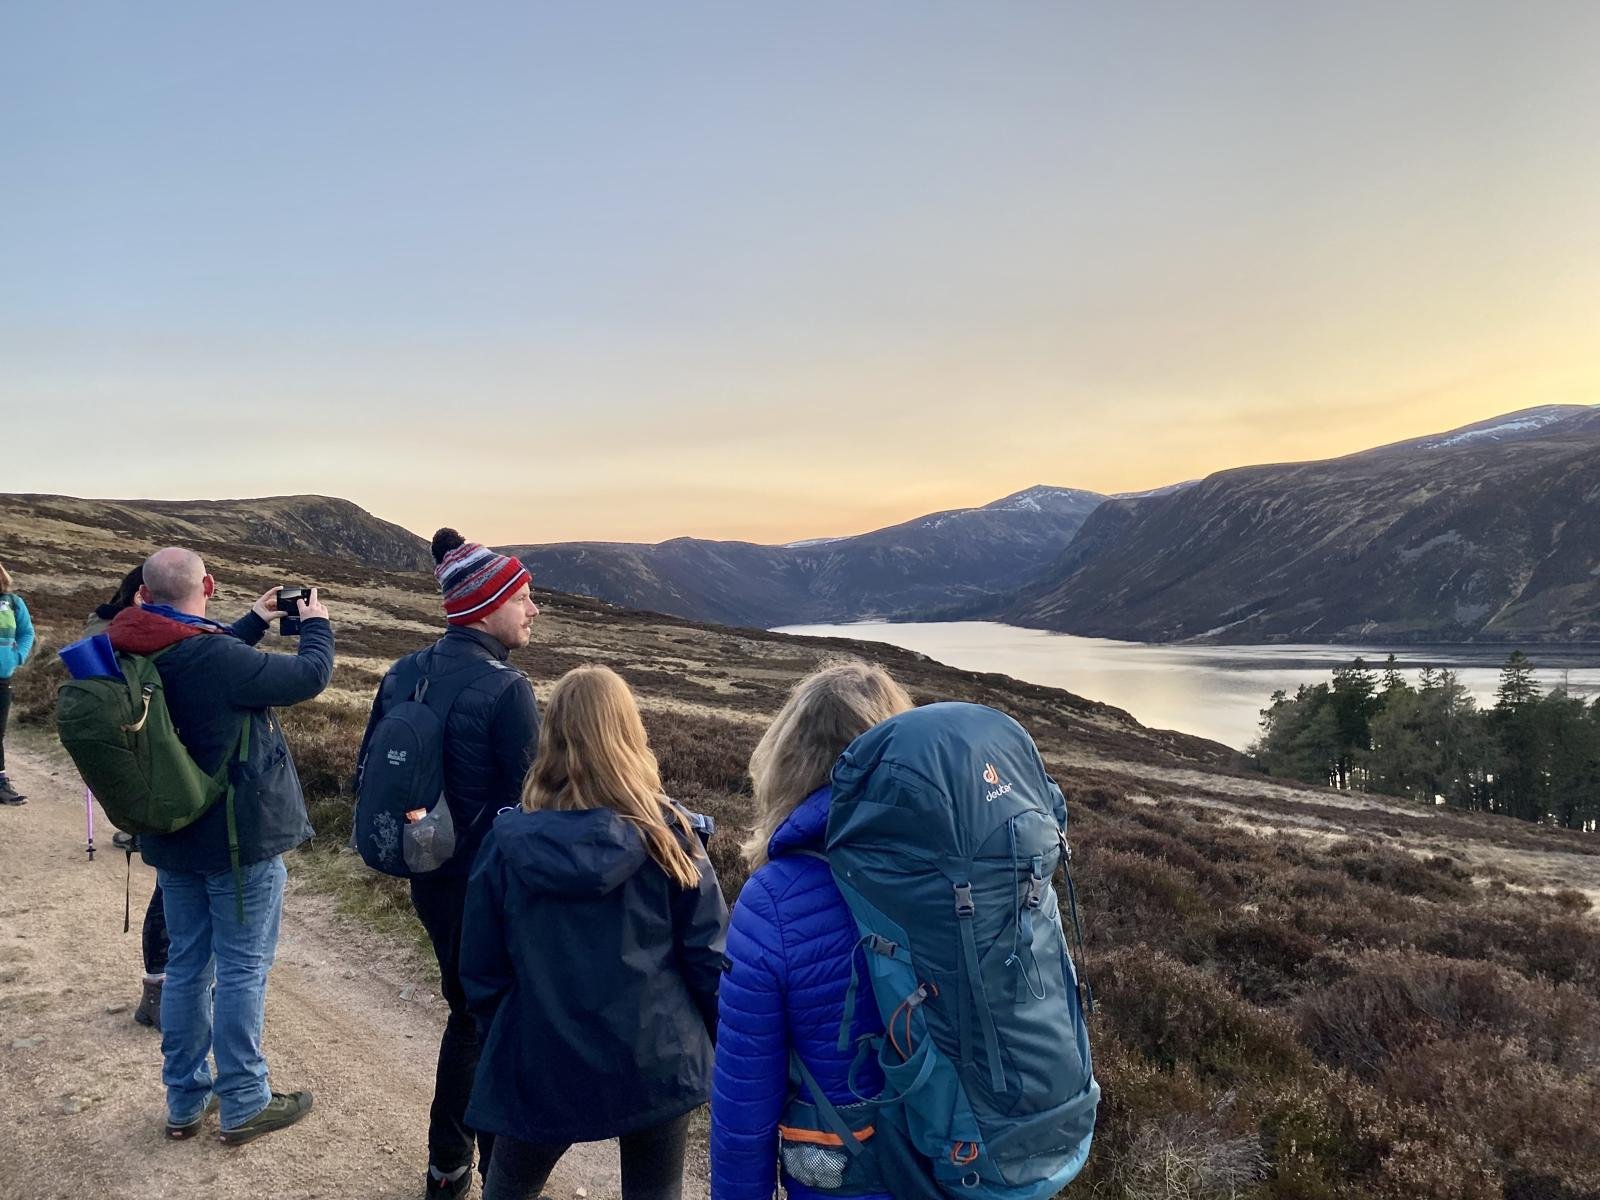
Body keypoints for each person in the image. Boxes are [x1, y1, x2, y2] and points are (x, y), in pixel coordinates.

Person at [460, 665, 728, 1200]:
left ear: (551, 735)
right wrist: (708, 1043)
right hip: (658, 1058)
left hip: (540, 1059)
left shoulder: (505, 845)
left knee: (508, 1187)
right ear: (630, 734)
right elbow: (709, 959)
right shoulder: (671, 839)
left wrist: (513, 1037)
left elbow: (481, 972)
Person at [107, 547, 334, 1144]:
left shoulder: (132, 643)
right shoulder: (211, 656)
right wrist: (316, 625)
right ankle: (244, 1101)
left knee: (186, 968)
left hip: (173, 838)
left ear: (146, 595)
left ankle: (185, 1100)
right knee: (241, 970)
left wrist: (254, 621)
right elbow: (308, 677)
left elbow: (203, 657)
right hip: (237, 844)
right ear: (206, 584)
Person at [356, 529, 542, 1199]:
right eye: (523, 596)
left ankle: (447, 1168)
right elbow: (532, 809)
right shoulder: (507, 688)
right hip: (488, 889)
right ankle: (491, 1173)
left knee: (465, 1013)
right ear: (488, 604)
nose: (533, 608)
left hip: (427, 878)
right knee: (492, 1024)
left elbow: (369, 768)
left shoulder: (404, 670)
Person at [710, 660, 915, 1200]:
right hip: (962, 1167)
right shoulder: (959, 872)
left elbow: (743, 1108)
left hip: (845, 1177)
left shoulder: (773, 901)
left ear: (789, 758)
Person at [89, 566, 170, 1030]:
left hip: (135, 773)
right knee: (171, 889)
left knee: (168, 886)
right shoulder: (141, 636)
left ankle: (158, 992)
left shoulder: (105, 627)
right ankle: (164, 991)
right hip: (159, 774)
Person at [0, 560, 36, 806]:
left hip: (2, 677)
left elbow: (27, 633)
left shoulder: (13, 603)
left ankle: (0, 784)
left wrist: (18, 656)